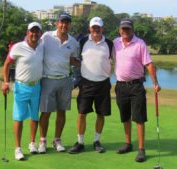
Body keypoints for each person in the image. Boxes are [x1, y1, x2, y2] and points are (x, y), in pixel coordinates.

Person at [113, 18, 161, 162]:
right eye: (123, 29)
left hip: (136, 86)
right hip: (120, 86)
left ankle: (141, 149)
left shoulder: (140, 44)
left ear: (132, 30)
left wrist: (156, 83)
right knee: (125, 117)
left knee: (139, 118)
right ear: (119, 30)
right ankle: (128, 143)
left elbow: (149, 65)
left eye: (128, 28)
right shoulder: (115, 43)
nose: (125, 31)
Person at [68, 17, 113, 154]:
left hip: (103, 84)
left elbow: (117, 60)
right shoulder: (82, 42)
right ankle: (80, 142)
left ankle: (96, 141)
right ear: (89, 28)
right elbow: (73, 58)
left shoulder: (109, 44)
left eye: (98, 27)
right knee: (82, 114)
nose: (96, 30)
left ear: (102, 28)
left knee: (101, 113)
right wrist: (81, 66)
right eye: (93, 27)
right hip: (86, 83)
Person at [38, 13, 79, 153]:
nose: (64, 25)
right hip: (48, 79)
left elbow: (74, 60)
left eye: (67, 22)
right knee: (46, 112)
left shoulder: (73, 42)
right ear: (57, 23)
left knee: (62, 112)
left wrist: (88, 65)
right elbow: (36, 49)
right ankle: (42, 141)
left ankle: (57, 140)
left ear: (70, 25)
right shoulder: (47, 37)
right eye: (61, 22)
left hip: (65, 80)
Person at [2, 22, 43, 160]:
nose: (34, 34)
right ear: (27, 33)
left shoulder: (41, 46)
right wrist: (6, 82)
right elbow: (7, 64)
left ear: (40, 34)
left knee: (34, 117)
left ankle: (32, 143)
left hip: (37, 86)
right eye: (32, 31)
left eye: (37, 32)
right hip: (21, 87)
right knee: (19, 118)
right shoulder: (18, 47)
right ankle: (18, 148)